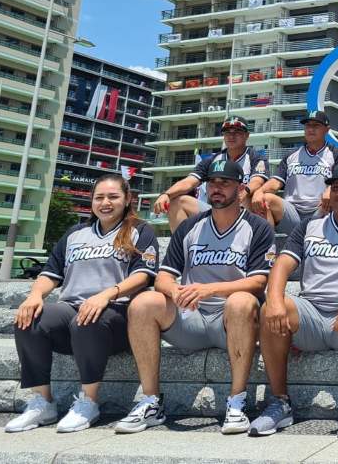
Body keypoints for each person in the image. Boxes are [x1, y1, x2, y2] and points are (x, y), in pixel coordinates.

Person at [116, 159, 276, 435]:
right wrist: (175, 292)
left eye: (225, 183)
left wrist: (209, 289)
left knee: (241, 301)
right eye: (212, 183)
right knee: (143, 303)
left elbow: (260, 281)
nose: (217, 188)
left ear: (240, 191)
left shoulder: (257, 227)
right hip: (191, 318)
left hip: (232, 321)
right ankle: (151, 401)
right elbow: (164, 276)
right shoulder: (191, 226)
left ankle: (237, 402)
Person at [250, 163, 338, 437]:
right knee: (271, 307)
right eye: (337, 187)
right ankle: (279, 403)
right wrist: (276, 298)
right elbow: (282, 265)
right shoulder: (310, 225)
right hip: (312, 315)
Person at [8, 174, 159, 433]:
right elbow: (50, 273)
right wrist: (34, 296)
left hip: (117, 314)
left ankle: (88, 402)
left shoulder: (140, 230)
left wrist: (106, 294)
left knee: (86, 318)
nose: (105, 203)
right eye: (99, 197)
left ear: (127, 199)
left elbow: (143, 276)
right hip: (72, 308)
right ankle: (43, 402)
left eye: (113, 196)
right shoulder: (76, 233)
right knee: (29, 319)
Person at [153, 116, 269, 232]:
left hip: (241, 210)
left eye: (237, 132)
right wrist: (166, 194)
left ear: (246, 135)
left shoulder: (256, 158)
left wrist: (245, 192)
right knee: (176, 203)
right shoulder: (212, 160)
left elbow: (257, 181)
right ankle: (183, 247)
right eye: (227, 132)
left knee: (253, 198)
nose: (231, 136)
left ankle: (256, 242)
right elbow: (189, 182)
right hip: (215, 210)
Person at [252, 111, 338, 235]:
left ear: (327, 130)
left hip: (321, 211)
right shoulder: (291, 156)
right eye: (308, 125)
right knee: (265, 199)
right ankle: (269, 249)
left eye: (316, 125)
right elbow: (276, 182)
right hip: (292, 213)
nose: (311, 129)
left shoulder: (337, 154)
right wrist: (259, 191)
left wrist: (331, 189)